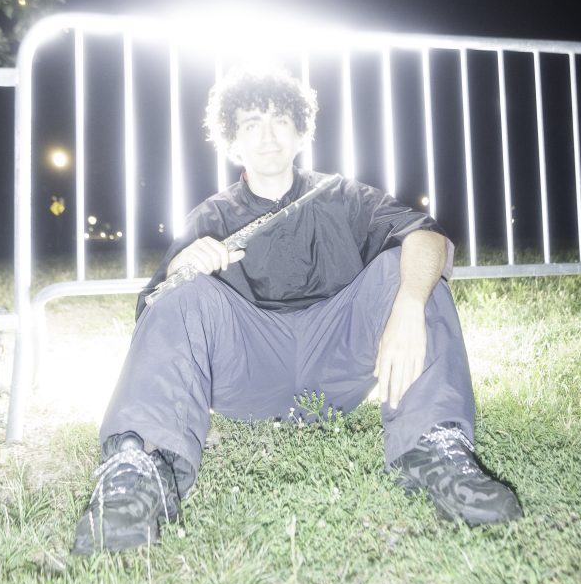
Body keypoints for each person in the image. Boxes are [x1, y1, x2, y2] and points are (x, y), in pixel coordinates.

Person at [72, 66, 522, 555]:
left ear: (301, 130)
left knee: (411, 263)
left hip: (336, 362)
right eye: (251, 124)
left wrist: (410, 305)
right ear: (233, 142)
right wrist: (184, 265)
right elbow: (155, 315)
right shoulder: (211, 216)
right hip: (249, 370)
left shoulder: (342, 195)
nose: (268, 136)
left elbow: (427, 236)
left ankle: (435, 450)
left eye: (280, 120)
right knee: (181, 290)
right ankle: (140, 468)